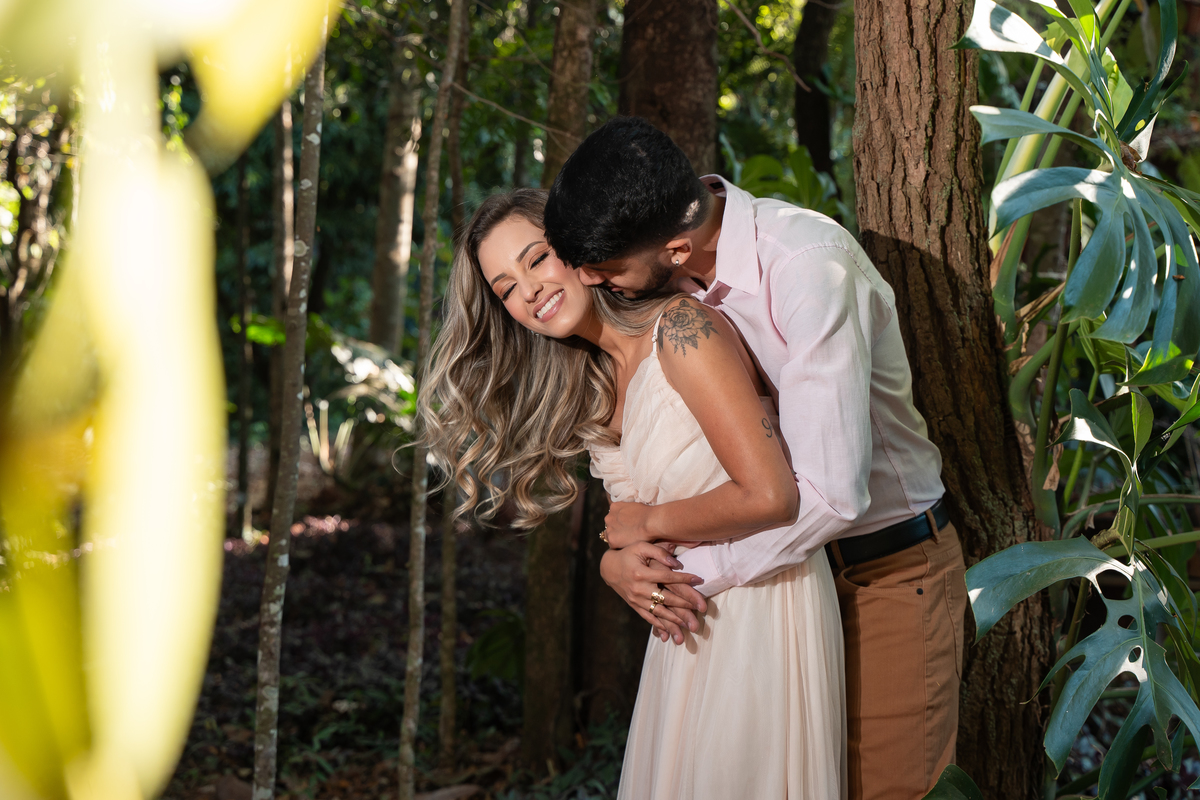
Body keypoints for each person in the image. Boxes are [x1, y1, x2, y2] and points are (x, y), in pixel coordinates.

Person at [542, 116, 967, 800]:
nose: (591, 280)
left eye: (607, 269)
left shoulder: (806, 264)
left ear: (676, 247)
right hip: (775, 595)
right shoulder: (665, 282)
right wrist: (622, 560)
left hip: (880, 571)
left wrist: (690, 573)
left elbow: (832, 496)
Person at [421, 189, 846, 799]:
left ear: (577, 247)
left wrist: (644, 525)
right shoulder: (592, 381)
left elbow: (772, 496)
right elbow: (629, 523)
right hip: (684, 625)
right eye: (507, 288)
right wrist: (613, 563)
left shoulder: (682, 329)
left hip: (763, 608)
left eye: (536, 259)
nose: (529, 290)